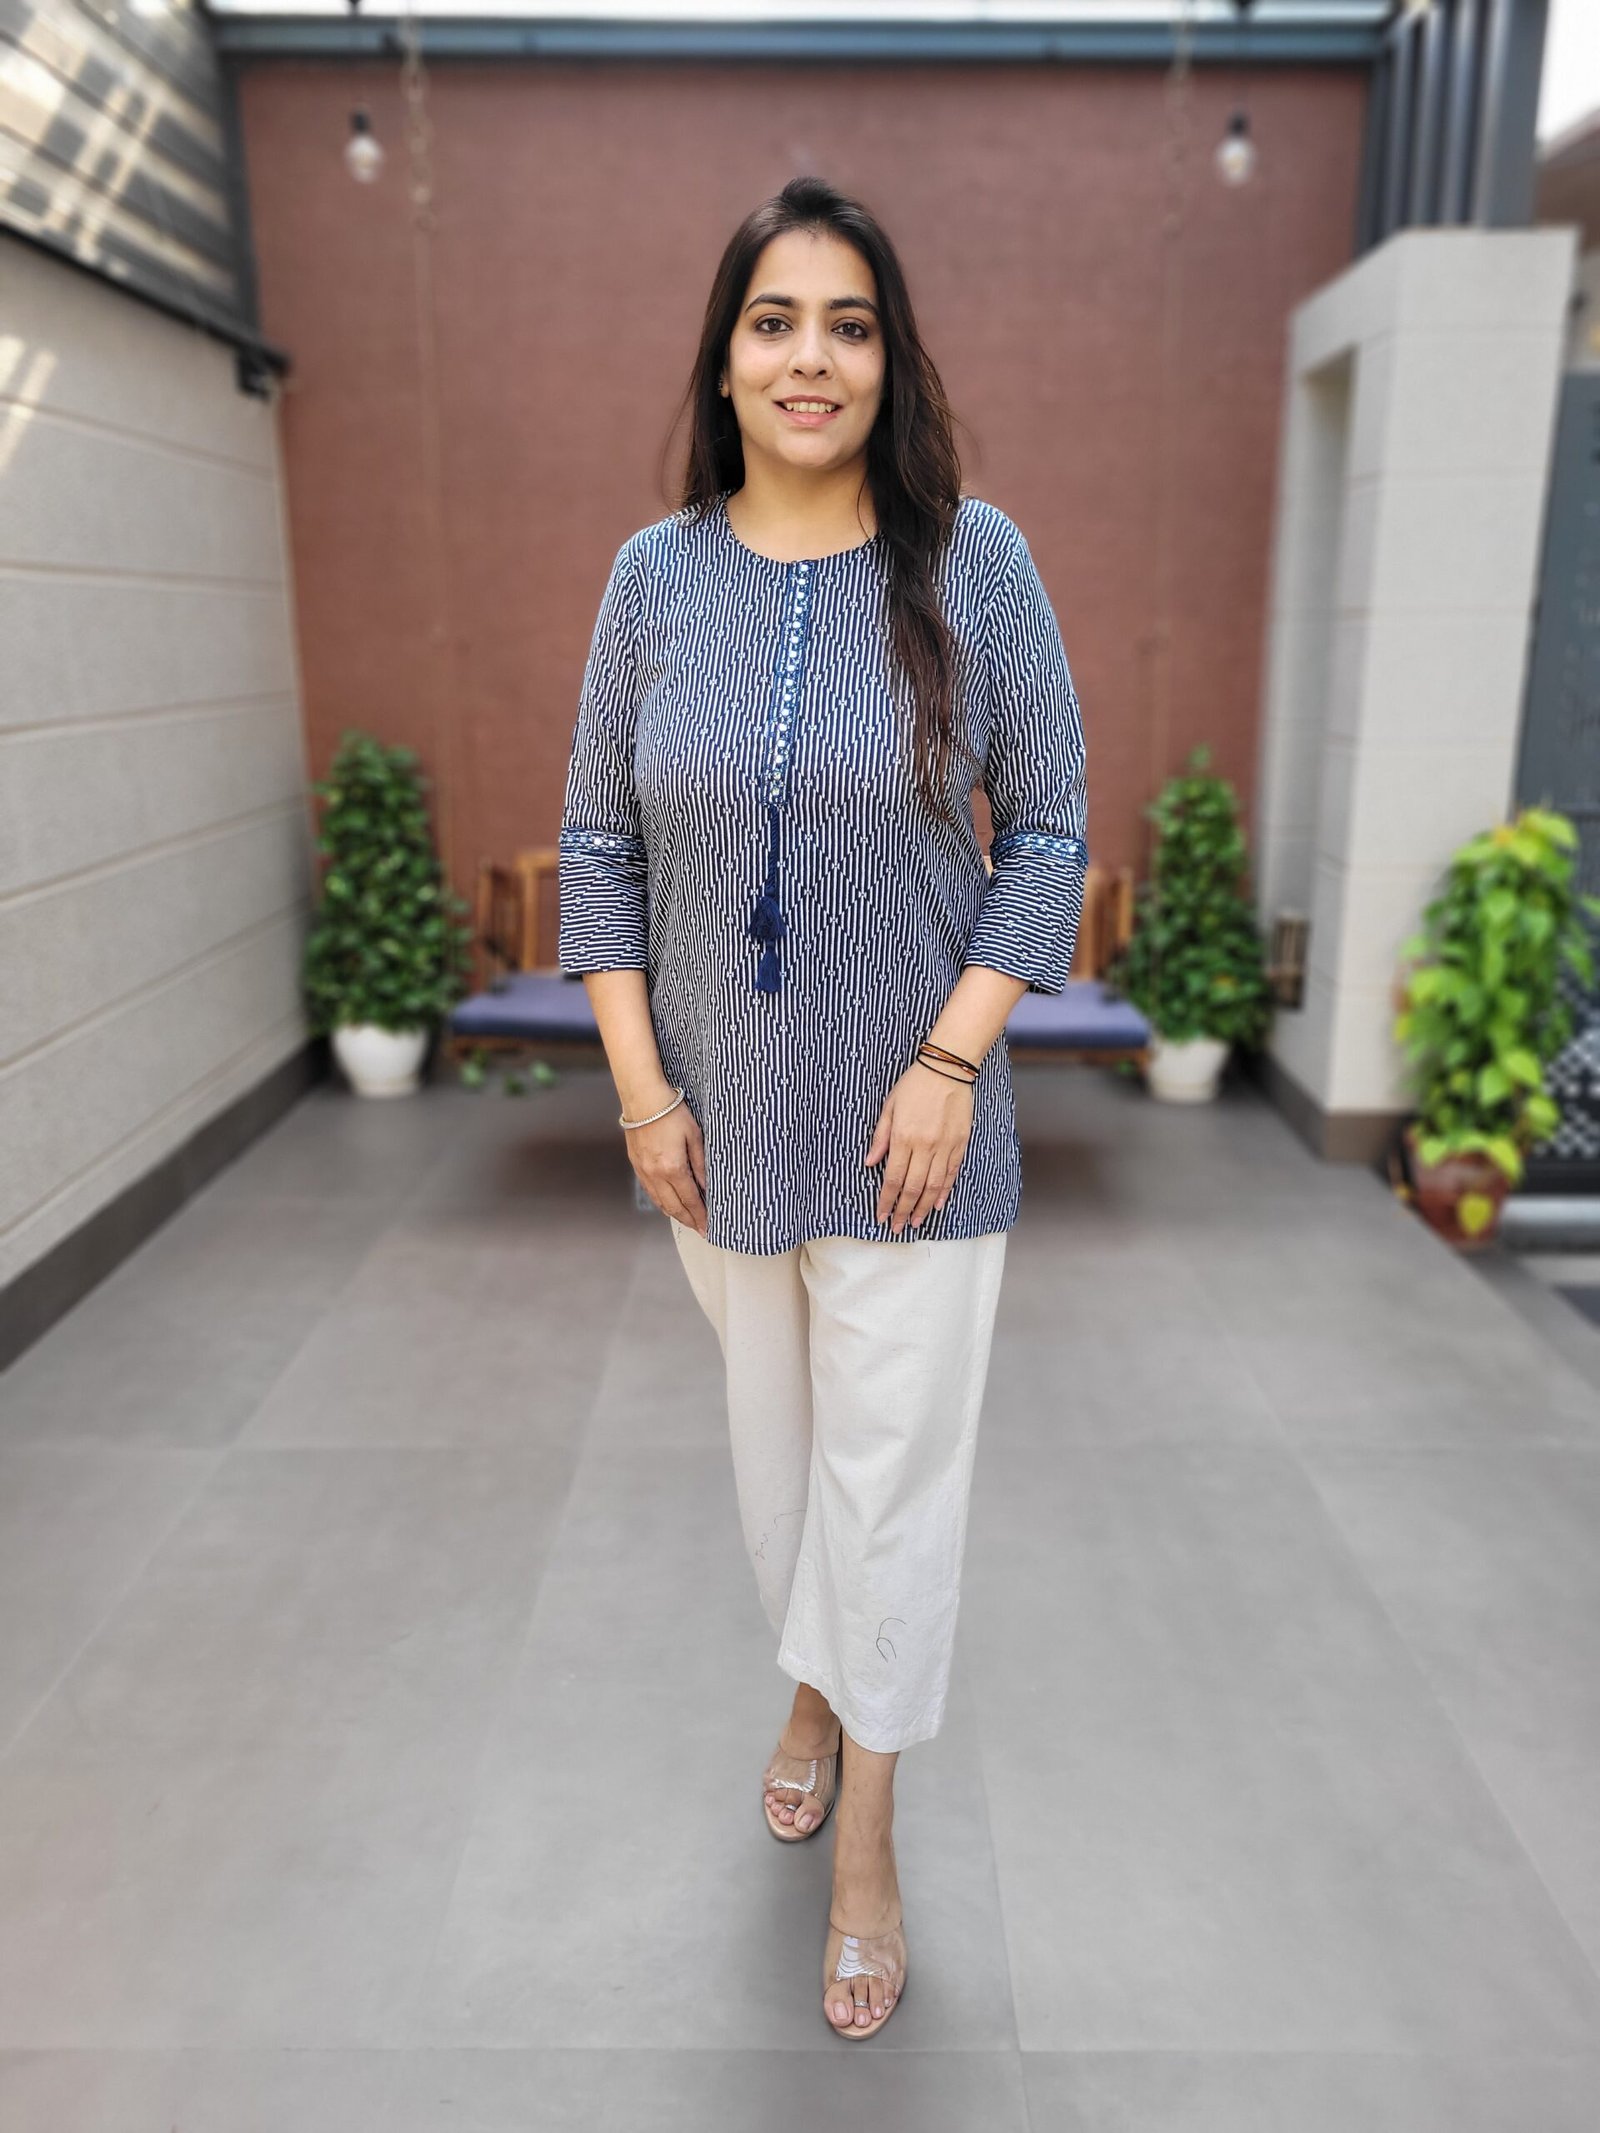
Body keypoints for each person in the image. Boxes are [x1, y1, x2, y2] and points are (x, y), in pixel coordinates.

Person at [557, 174, 1089, 2040]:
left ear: (890, 358)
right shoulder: (652, 579)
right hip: (720, 1139)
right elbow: (598, 849)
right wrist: (643, 1098)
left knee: (892, 1489)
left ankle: (871, 1832)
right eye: (775, 322)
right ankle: (812, 1682)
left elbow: (1051, 832)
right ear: (723, 360)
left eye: (849, 325)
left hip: (916, 1144)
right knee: (785, 1475)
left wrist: (951, 1061)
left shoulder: (974, 562)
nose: (811, 358)